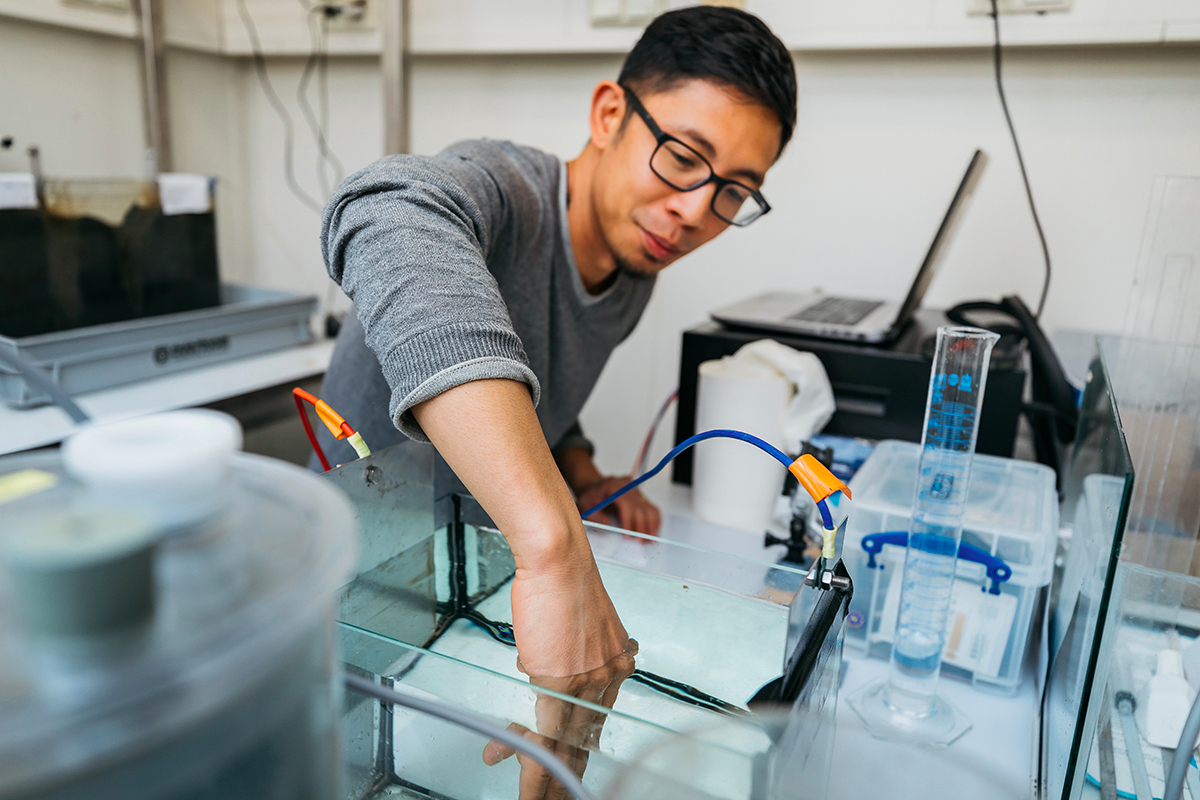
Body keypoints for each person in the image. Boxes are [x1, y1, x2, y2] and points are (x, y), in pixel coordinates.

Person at [314, 6, 796, 683]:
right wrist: (555, 548)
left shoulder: (634, 273)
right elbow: (386, 206)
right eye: (684, 158)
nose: (693, 211)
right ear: (608, 115)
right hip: (357, 578)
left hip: (470, 583)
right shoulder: (509, 193)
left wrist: (580, 466)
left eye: (734, 193)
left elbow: (541, 382)